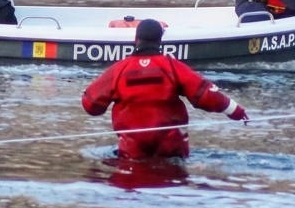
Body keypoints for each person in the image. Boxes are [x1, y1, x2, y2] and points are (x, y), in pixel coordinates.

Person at [81, 19, 250, 159]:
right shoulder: (172, 67)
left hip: (132, 152)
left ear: (135, 40)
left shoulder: (119, 70)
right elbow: (206, 95)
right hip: (171, 149)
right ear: (160, 41)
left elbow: (91, 105)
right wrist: (235, 110)